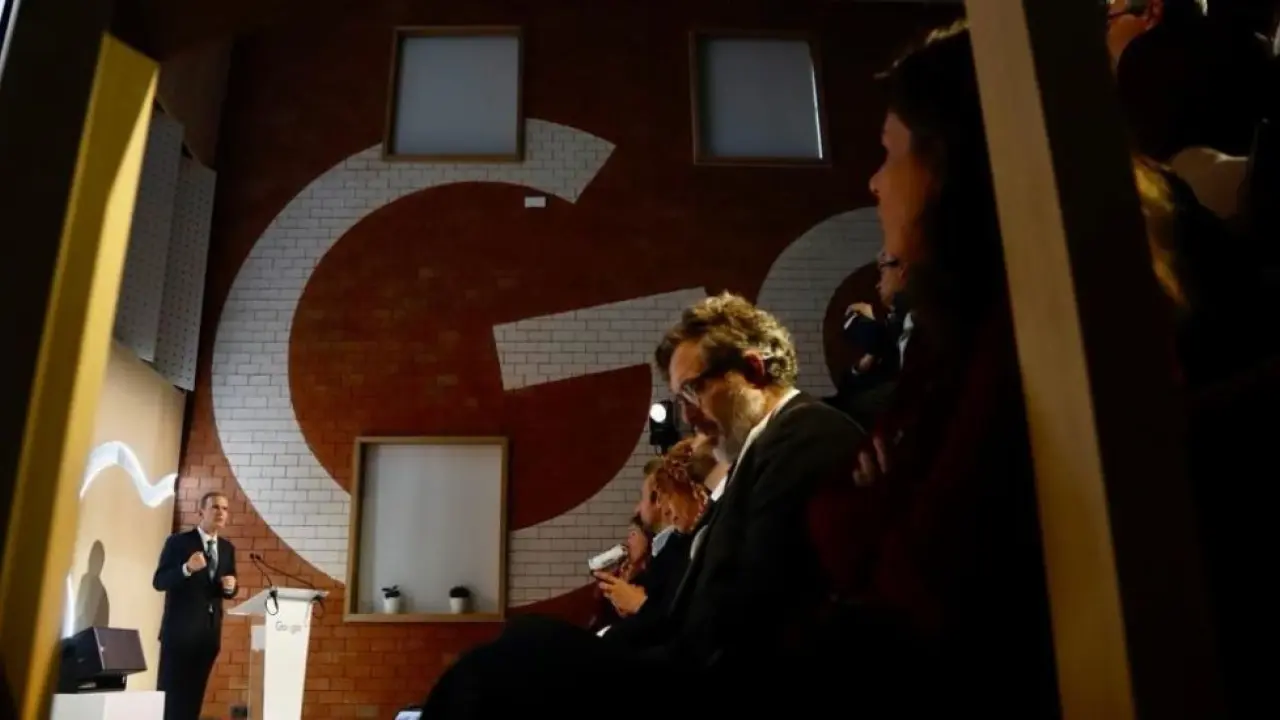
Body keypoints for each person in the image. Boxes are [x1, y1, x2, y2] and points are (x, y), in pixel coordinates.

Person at [419, 294, 863, 716]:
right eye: (681, 398)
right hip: (683, 662)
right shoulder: (767, 447)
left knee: (496, 671)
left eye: (694, 391)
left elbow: (750, 608)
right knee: (522, 640)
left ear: (752, 370)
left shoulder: (806, 438)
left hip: (706, 681)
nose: (688, 417)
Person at [152, 491, 238, 720]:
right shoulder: (178, 542)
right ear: (201, 511)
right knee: (171, 699)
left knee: (193, 698)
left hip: (208, 636)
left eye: (225, 509)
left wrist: (230, 588)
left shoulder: (227, 549)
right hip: (179, 635)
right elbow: (160, 581)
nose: (221, 512)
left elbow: (227, 588)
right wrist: (187, 568)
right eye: (215, 507)